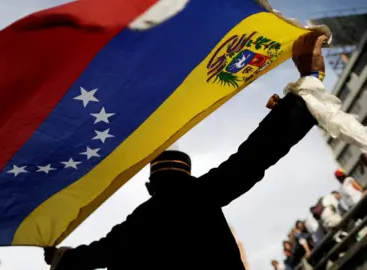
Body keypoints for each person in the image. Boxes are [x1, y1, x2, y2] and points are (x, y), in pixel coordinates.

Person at [43, 32, 328, 270]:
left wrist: (59, 256)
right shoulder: (203, 195)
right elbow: (257, 153)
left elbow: (91, 257)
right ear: (189, 177)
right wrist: (308, 83)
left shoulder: (137, 225)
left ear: (149, 187)